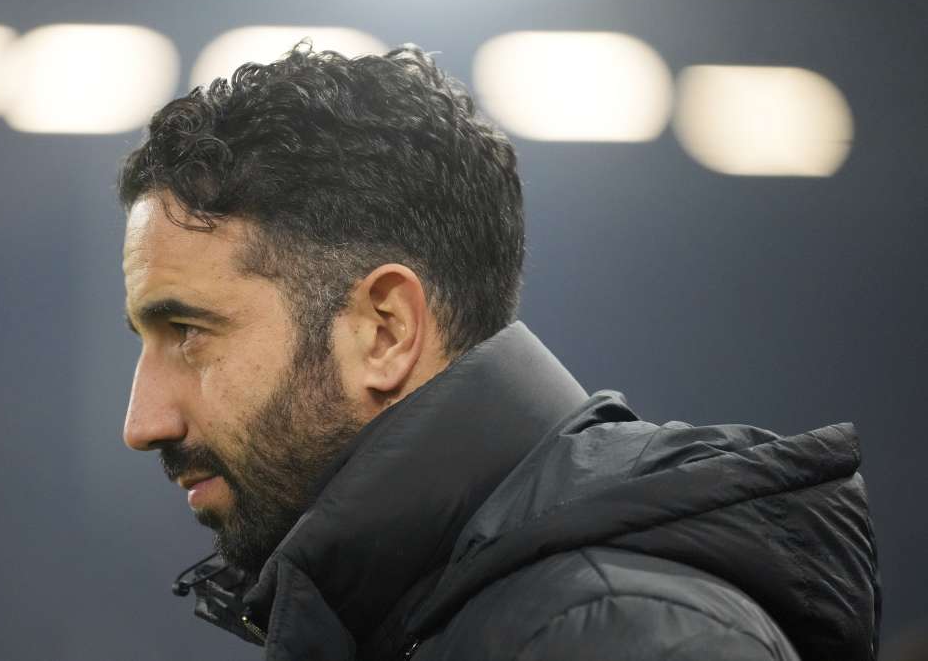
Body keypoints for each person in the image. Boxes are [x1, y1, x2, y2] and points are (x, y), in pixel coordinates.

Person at [117, 43, 880, 660]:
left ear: (384, 331)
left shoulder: (619, 635)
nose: (143, 421)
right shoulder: (442, 613)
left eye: (188, 333)